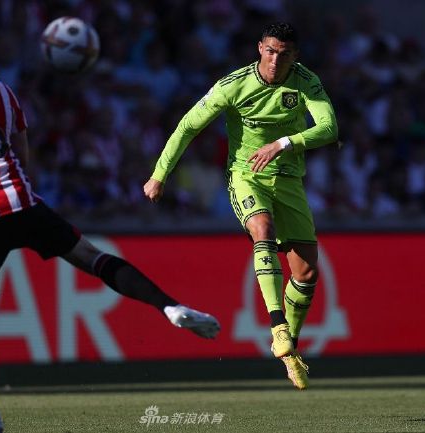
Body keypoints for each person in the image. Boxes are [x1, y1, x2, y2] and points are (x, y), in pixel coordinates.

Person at [0, 11, 219, 433]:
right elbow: (24, 157)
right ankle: (169, 306)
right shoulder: (2, 90)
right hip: (20, 201)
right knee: (91, 256)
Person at [144, 22, 339, 390]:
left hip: (288, 181)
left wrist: (283, 143)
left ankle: (289, 348)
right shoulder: (233, 85)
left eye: (283, 53)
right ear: (259, 48)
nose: (275, 60)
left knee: (307, 274)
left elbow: (329, 128)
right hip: (246, 176)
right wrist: (159, 175)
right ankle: (278, 325)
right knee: (262, 229)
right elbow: (187, 126)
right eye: (269, 50)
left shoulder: (305, 81)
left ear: (295, 56)